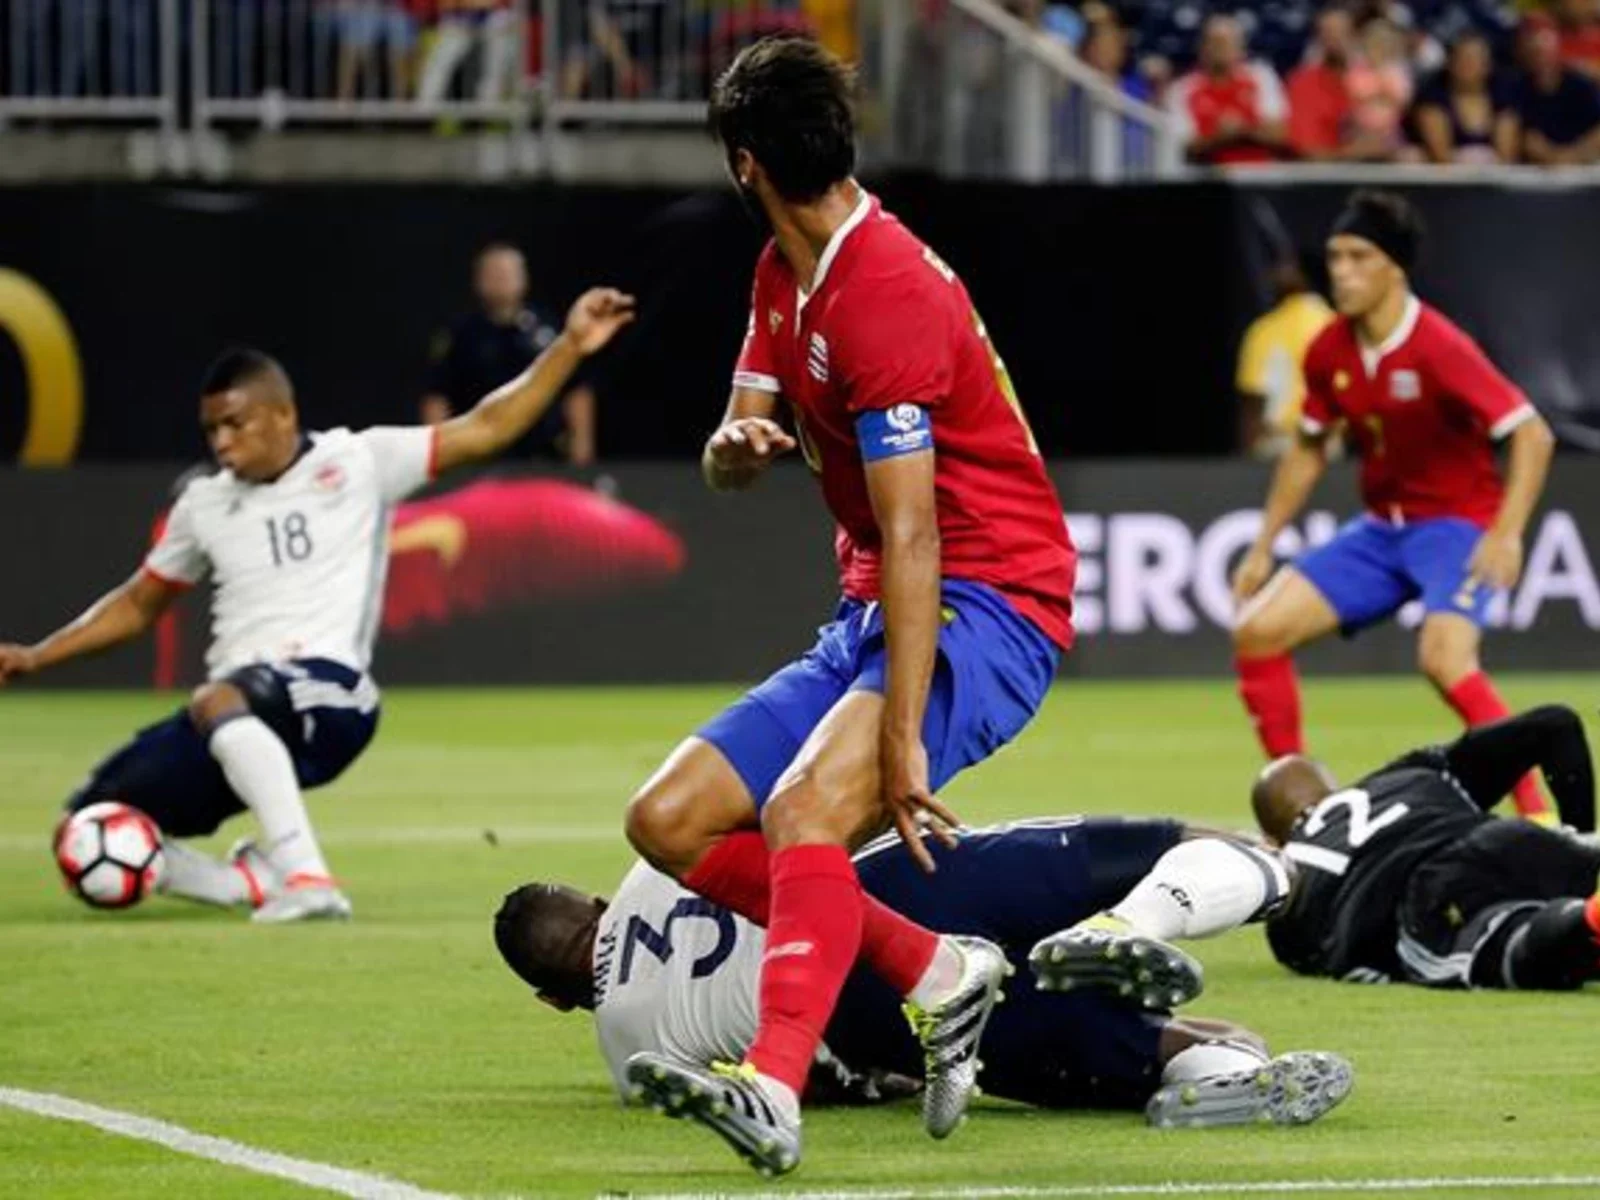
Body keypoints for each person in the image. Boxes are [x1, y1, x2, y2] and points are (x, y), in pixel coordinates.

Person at [617, 36, 1077, 1176]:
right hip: (874, 607)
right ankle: (939, 970)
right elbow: (734, 448)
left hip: (992, 602)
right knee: (667, 823)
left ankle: (771, 1085)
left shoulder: (885, 292)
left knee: (803, 812)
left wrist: (903, 732)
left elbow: (918, 533)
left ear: (743, 164)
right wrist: (733, 448)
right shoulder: (782, 275)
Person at [0, 288, 634, 922]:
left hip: (330, 693)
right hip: (234, 714)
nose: (221, 442)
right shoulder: (204, 504)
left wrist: (568, 345)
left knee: (219, 698)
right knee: (83, 827)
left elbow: (487, 426)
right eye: (212, 429)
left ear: (283, 414)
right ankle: (244, 883)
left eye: (235, 424)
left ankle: (309, 879)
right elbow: (139, 605)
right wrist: (35, 656)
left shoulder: (358, 461)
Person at [495, 817, 1353, 1132]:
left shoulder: (624, 1042)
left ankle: (1217, 1070)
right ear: (597, 902)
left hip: (871, 1003)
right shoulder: (655, 865)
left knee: (1171, 1046)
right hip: (896, 880)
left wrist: (874, 1081)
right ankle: (1143, 918)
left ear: (553, 997)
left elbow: (778, 1089)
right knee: (1181, 847)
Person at [1230, 190, 1557, 821]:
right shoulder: (1329, 349)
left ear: (1395, 268)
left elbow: (1531, 433)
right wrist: (1263, 546)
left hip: (1457, 526)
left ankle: (1538, 816)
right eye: (1335, 257)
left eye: (1359, 257)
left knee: (1443, 659)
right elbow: (1309, 448)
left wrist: (1506, 534)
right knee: (1258, 631)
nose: (1342, 271)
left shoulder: (1439, 345)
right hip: (1382, 531)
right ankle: (1305, 819)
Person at [1042, 707, 1599, 991]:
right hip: (1514, 840)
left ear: (1272, 837)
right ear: (1332, 785)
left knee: (1516, 945)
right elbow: (1555, 723)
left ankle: (1586, 919)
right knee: (1568, 875)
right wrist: (1576, 836)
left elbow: (1332, 953)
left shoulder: (1286, 881)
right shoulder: (1408, 776)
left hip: (1433, 896)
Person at [422, 243, 598, 466]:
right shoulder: (460, 334)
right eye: (493, 274)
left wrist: (582, 443)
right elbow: (437, 397)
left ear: (524, 278)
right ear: (478, 280)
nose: (501, 280)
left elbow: (576, 389)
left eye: (507, 273)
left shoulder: (549, 330)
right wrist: (438, 453)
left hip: (543, 456)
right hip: (477, 457)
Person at [1235, 255, 1335, 458]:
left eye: (1286, 267)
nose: (1275, 274)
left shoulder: (1267, 329)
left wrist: (1247, 453)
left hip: (1282, 442)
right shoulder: (1335, 324)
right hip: (1323, 443)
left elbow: (1254, 398)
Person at [1167, 15, 1290, 165]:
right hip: (1206, 173)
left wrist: (1241, 130)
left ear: (1241, 48)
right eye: (1215, 42)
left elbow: (1279, 134)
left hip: (1260, 171)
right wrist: (1218, 137)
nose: (1221, 49)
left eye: (1228, 43)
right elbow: (1184, 147)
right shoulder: (1182, 89)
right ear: (1202, 48)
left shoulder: (1261, 77)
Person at [1412, 32, 1519, 165]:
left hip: (1495, 173)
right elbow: (1441, 156)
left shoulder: (1503, 99)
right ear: (1450, 63)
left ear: (1488, 65)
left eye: (1475, 59)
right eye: (1462, 58)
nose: (1468, 65)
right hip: (1449, 174)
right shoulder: (1432, 99)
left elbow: (1506, 155)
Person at [1514, 13, 1600, 165]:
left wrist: (1574, 155)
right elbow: (1525, 137)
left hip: (1582, 162)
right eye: (1535, 52)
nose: (1541, 58)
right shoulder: (1517, 86)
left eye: (1545, 51)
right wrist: (1550, 156)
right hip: (1536, 167)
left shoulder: (1579, 85)